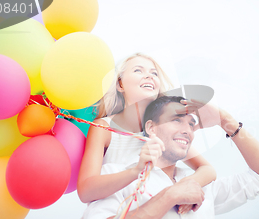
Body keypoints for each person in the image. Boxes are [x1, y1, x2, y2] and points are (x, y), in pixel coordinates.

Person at [82, 96, 259, 218]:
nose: (187, 130)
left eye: (190, 124)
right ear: (151, 128)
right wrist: (172, 195)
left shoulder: (201, 186)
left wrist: (226, 121)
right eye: (177, 120)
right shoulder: (116, 176)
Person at [77, 53, 216, 214]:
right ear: (120, 84)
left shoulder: (162, 130)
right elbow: (86, 191)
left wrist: (181, 188)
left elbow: (208, 169)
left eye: (154, 73)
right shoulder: (103, 128)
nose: (149, 76)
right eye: (138, 70)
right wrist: (136, 171)